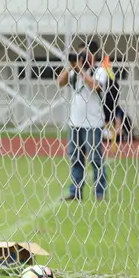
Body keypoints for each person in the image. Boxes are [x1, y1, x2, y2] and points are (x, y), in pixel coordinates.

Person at [57, 40, 108, 201]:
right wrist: (71, 67)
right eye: (80, 55)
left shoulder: (100, 71)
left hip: (93, 123)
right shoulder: (74, 72)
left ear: (93, 56)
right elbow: (60, 82)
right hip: (75, 123)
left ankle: (100, 193)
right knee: (75, 158)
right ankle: (75, 191)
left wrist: (80, 69)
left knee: (95, 158)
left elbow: (95, 86)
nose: (83, 58)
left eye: (85, 55)